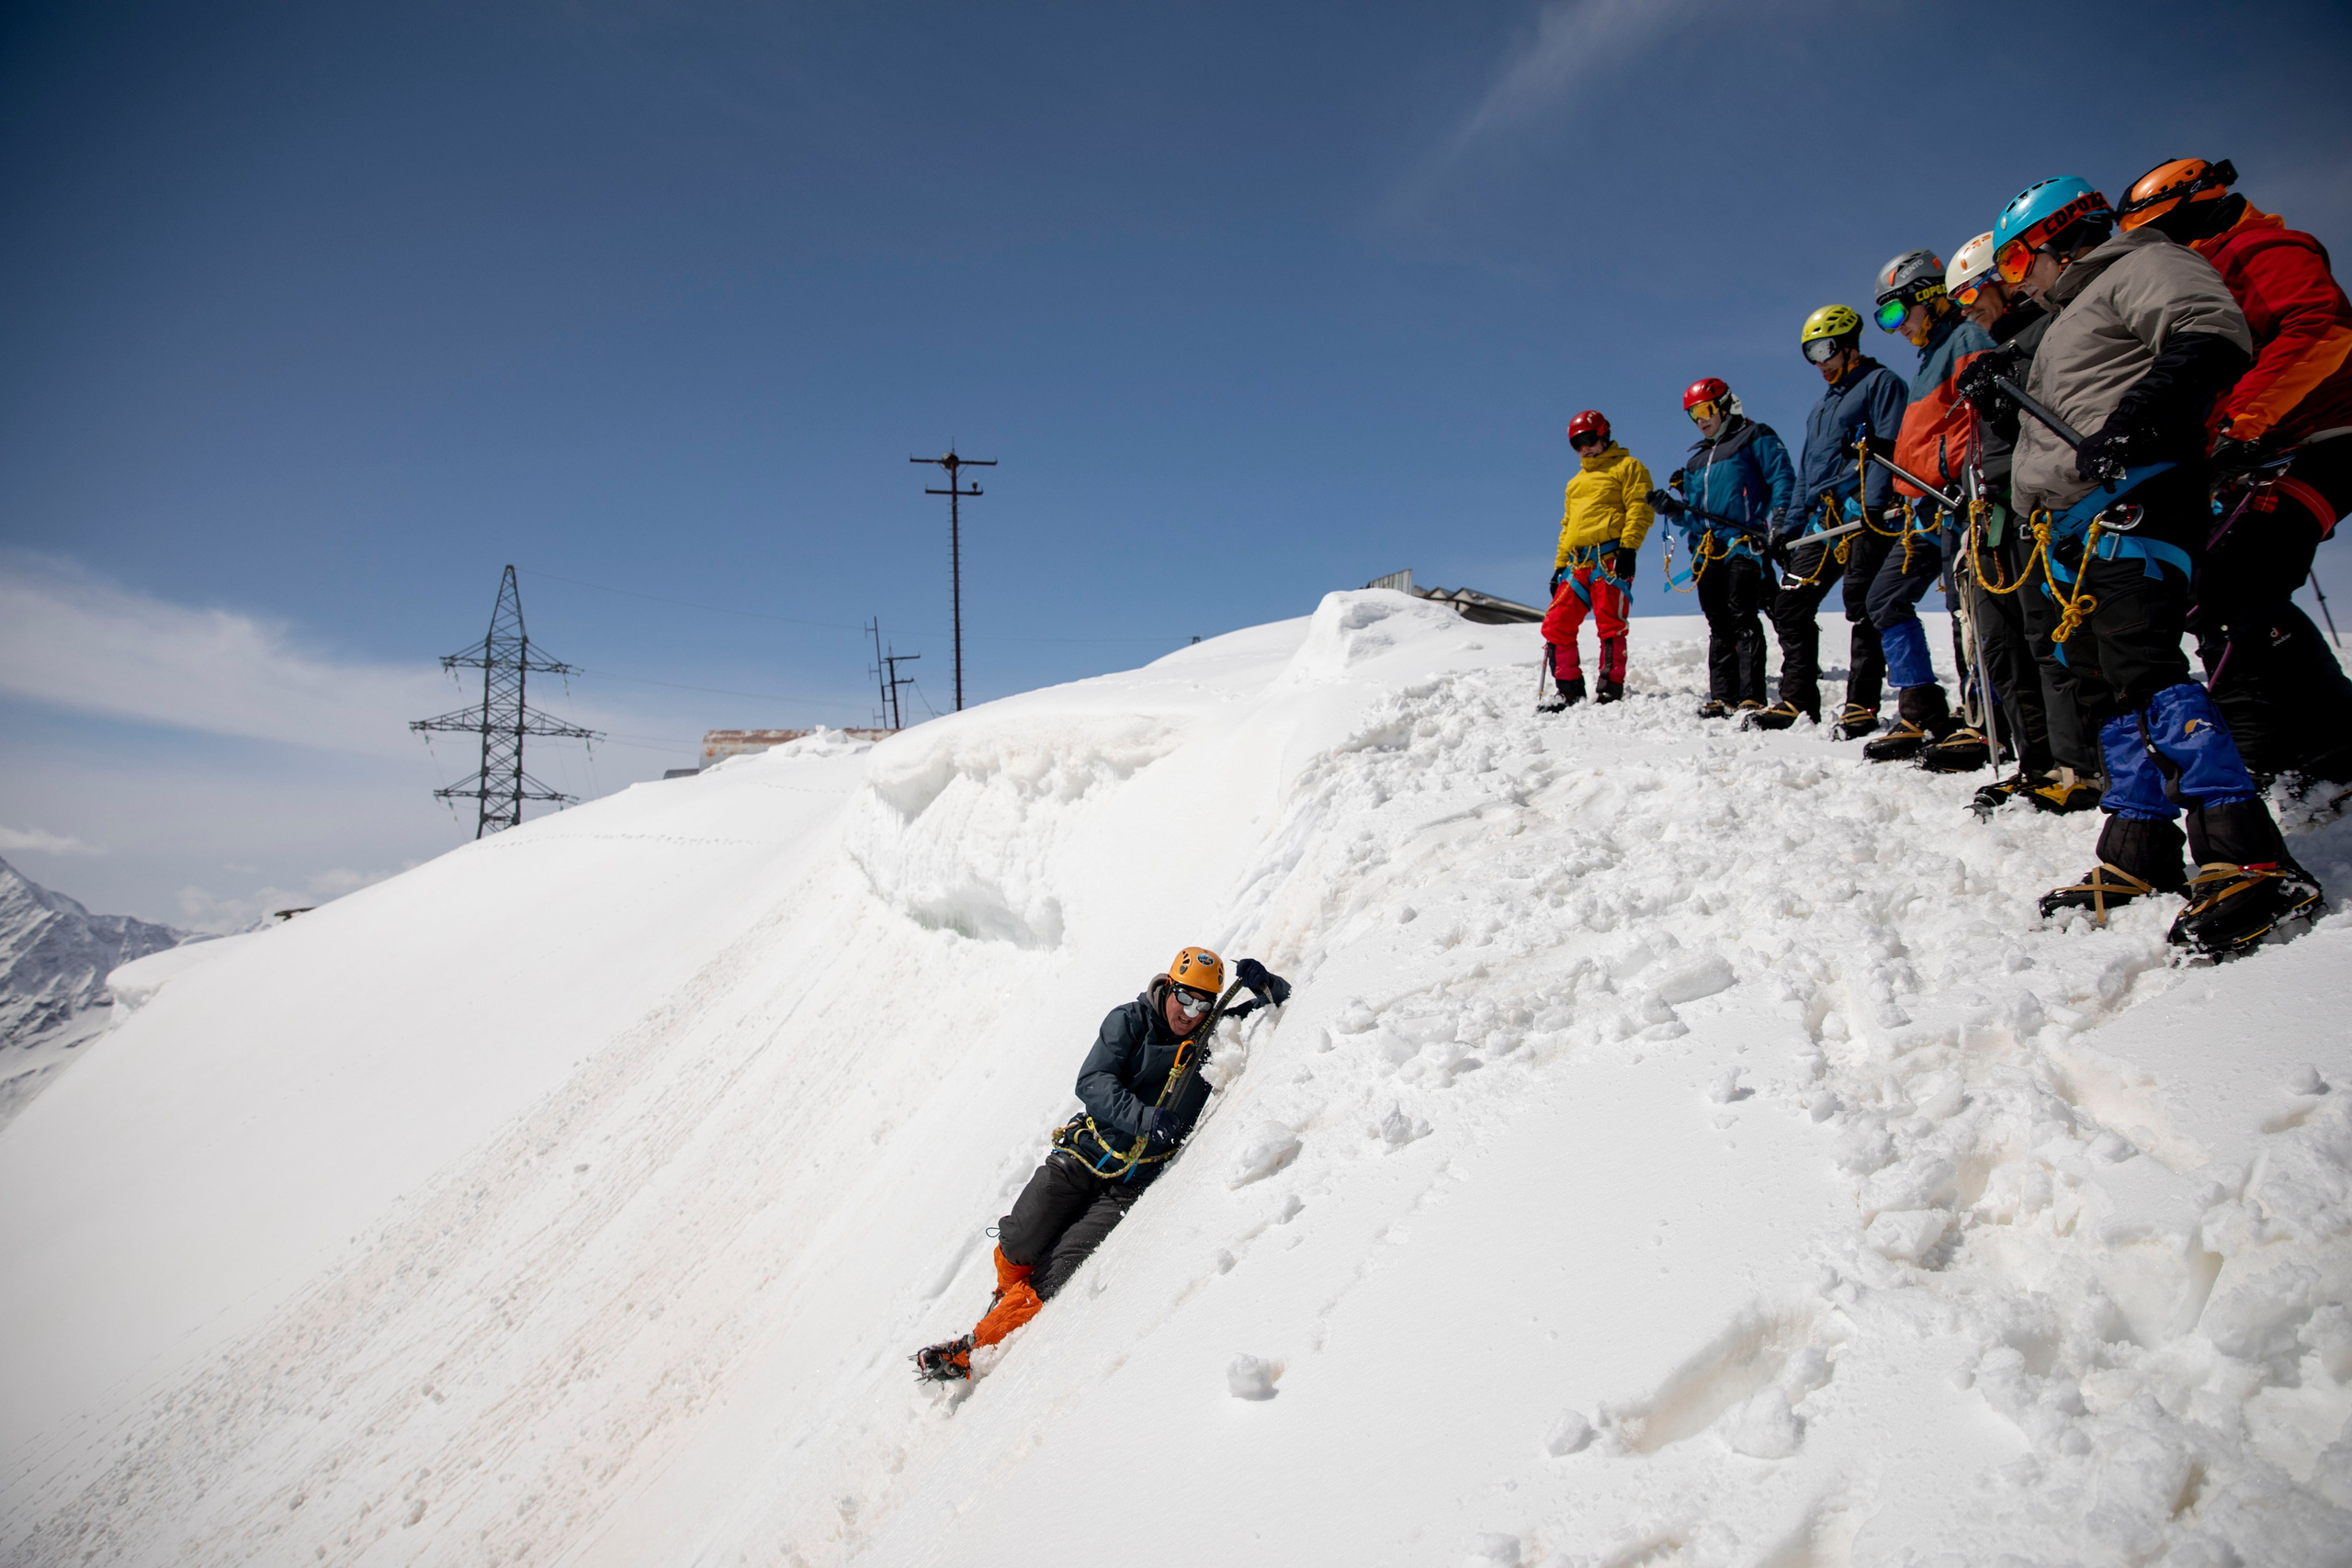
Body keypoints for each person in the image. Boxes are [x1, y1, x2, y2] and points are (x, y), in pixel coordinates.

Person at [1981, 174, 2320, 953]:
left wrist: (2140, 420)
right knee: (2109, 681)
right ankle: (2140, 847)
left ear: (2054, 238)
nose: (2017, 279)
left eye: (2015, 262)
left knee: (2148, 668)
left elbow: (2210, 332)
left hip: (2135, 500)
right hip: (2076, 522)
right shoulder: (2069, 318)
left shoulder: (2141, 264)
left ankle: (2249, 854)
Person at [912, 947, 1291, 1382]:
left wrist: (1264, 982)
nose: (1190, 1012)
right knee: (1020, 1236)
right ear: (1168, 986)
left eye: (1203, 1004)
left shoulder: (1209, 1035)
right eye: (1185, 999)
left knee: (1058, 1268)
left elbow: (1276, 1003)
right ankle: (1004, 1289)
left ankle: (977, 1343)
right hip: (1084, 1153)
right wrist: (1148, 1120)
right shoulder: (1128, 1021)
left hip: (1128, 1185)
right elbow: (1092, 1081)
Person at [2117, 156, 2352, 786]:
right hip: (2262, 449)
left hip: (2321, 440)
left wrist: (2240, 423)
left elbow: (2321, 329)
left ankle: (2320, 743)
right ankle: (2286, 744)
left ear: (2189, 210)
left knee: (2239, 587)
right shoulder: (2209, 269)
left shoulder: (2260, 247)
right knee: (2216, 590)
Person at [1939, 231, 2103, 813]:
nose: (1971, 308)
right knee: (2002, 643)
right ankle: (2036, 762)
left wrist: (2003, 396)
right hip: (1989, 513)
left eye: (1975, 293)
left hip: (2032, 508)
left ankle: (2077, 764)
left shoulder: (2048, 331)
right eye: (1960, 300)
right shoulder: (1998, 347)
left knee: (2047, 636)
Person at [1855, 249, 1999, 762]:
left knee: (1969, 608)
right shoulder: (1927, 359)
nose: (1893, 328)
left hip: (1962, 501)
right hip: (1925, 510)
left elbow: (1984, 422)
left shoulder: (1967, 339)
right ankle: (1921, 708)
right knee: (1884, 599)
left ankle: (1986, 721)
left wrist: (1965, 481)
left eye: (1895, 313)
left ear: (1927, 297)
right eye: (1884, 319)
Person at [1749, 306, 1909, 734]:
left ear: (1849, 344)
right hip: (1823, 523)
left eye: (1825, 350)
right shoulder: (1821, 408)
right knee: (1789, 605)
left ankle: (1861, 704)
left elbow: (1889, 446)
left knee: (1863, 606)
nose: (1819, 363)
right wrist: (1789, 529)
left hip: (1864, 516)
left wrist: (1874, 503)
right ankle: (1797, 701)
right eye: (1810, 354)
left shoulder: (1882, 384)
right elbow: (1807, 473)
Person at [1652, 377, 1794, 716]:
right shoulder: (1696, 462)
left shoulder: (1755, 437)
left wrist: (1781, 521)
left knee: (1742, 616)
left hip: (1742, 544)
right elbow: (1695, 515)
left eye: (1704, 410)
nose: (1700, 419)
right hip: (1707, 549)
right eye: (1693, 414)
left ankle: (1751, 695)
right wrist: (1673, 508)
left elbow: (1782, 479)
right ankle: (1723, 695)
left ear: (1725, 405)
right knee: (1718, 623)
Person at [1540, 410, 1654, 708]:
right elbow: (1568, 526)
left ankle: (1609, 689)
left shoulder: (1628, 467)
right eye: (1577, 444)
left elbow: (1640, 509)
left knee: (1610, 624)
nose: (1584, 448)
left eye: (1589, 440)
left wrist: (1629, 548)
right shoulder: (1575, 483)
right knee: (1556, 623)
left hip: (1610, 560)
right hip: (1578, 564)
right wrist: (1559, 565)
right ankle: (1568, 690)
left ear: (1604, 434)